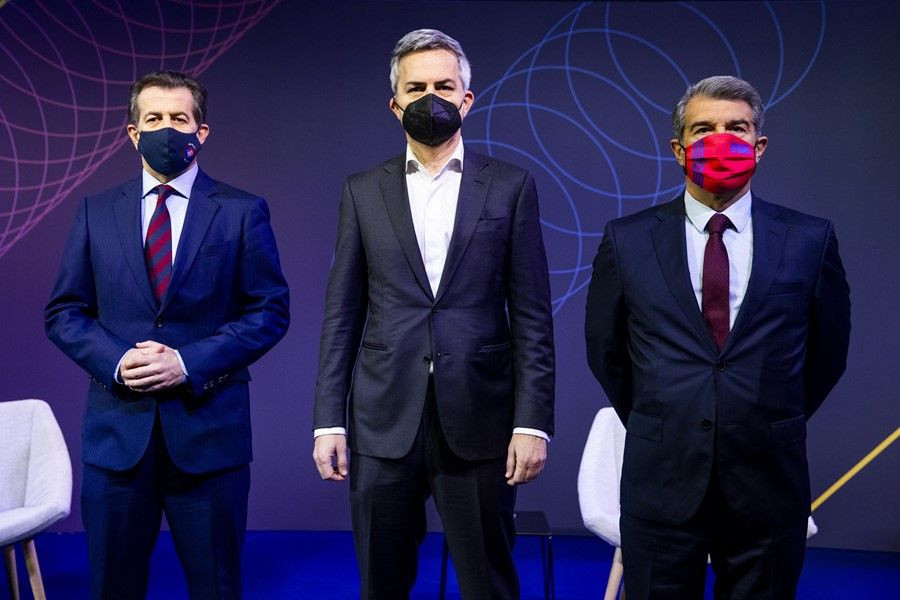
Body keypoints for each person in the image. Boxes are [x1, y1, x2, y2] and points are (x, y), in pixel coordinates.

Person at [585, 75, 850, 599]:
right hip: (661, 481)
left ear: (760, 145)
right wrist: (666, 418)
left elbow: (828, 353)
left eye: (737, 128)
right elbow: (606, 351)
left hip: (768, 480)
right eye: (704, 129)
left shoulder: (809, 238)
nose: (721, 140)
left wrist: (765, 415)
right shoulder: (627, 239)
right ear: (678, 148)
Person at [312, 29, 555, 599]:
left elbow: (532, 317)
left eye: (443, 86)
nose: (430, 98)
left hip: (479, 419)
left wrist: (532, 423)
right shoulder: (361, 191)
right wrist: (328, 420)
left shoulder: (511, 187)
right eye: (415, 87)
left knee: (488, 583)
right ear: (394, 104)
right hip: (382, 421)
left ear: (466, 99)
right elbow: (342, 313)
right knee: (382, 583)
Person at [45, 70, 290, 599]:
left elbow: (269, 311)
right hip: (117, 442)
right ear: (133, 133)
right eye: (153, 119)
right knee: (112, 588)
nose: (166, 129)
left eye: (179, 118)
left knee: (216, 588)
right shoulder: (94, 211)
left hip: (210, 440)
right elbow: (65, 312)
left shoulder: (242, 210)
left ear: (202, 132)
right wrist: (117, 361)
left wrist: (186, 362)